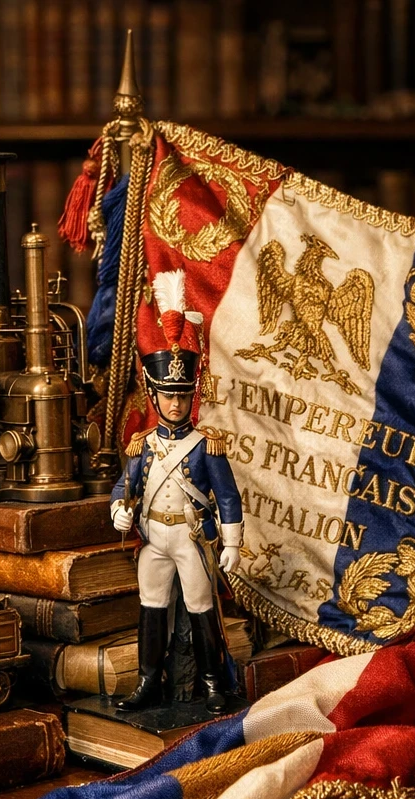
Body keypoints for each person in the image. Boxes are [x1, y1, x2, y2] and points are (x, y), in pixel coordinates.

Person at [109, 269, 244, 713]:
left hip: (190, 540)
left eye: (181, 395)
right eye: (167, 395)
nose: (174, 403)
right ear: (154, 395)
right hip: (152, 539)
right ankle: (148, 681)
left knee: (203, 612)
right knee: (150, 611)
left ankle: (211, 685)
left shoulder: (207, 445)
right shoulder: (142, 445)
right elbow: (124, 487)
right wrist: (119, 513)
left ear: (192, 396)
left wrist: (233, 544)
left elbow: (226, 496)